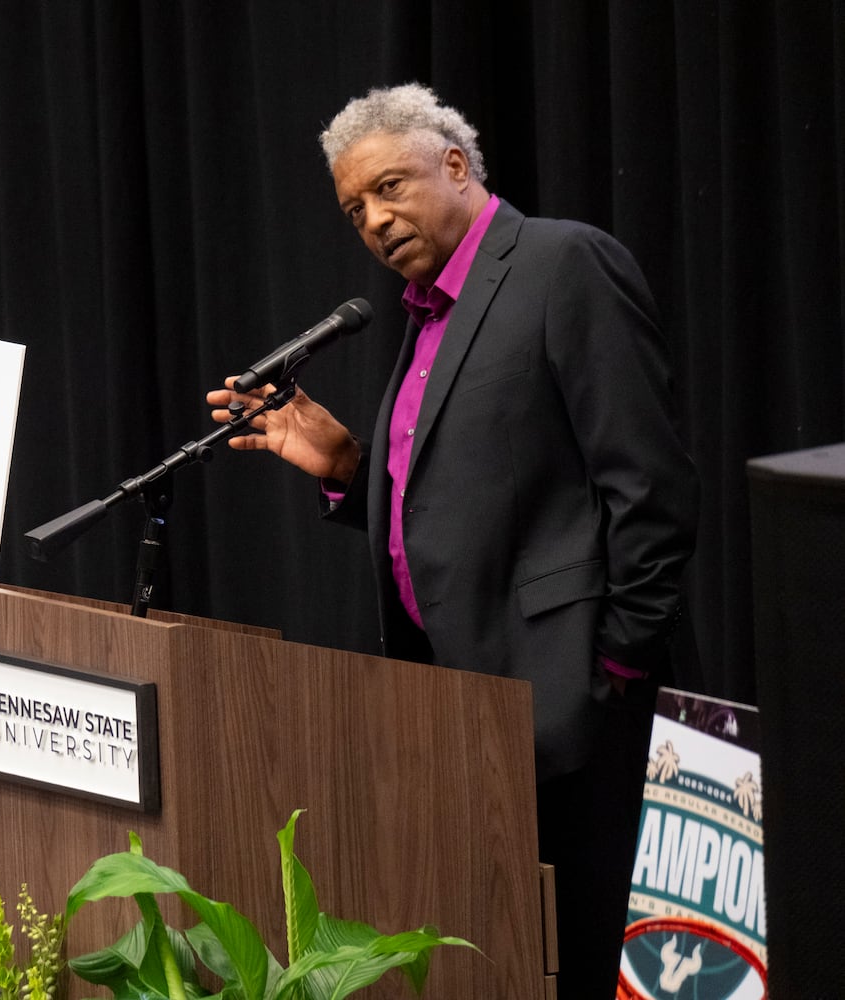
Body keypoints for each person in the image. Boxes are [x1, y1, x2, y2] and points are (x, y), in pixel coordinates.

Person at [207, 83, 698, 999]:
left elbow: (651, 489)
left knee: (579, 964)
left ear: (456, 164)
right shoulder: (426, 316)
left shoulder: (561, 263)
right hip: (465, 714)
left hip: (572, 708)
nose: (375, 220)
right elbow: (467, 497)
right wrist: (349, 466)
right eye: (356, 208)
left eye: (390, 188)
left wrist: (616, 671)